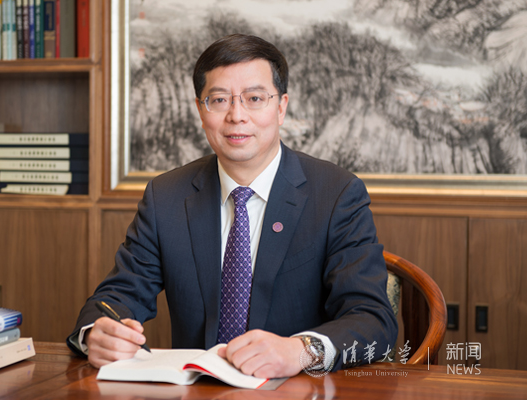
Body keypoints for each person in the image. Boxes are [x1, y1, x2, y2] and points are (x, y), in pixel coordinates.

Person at [67, 33, 397, 379]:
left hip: (297, 388)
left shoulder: (336, 194)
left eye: (255, 98)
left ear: (281, 107)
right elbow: (118, 294)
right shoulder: (166, 196)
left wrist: (300, 351)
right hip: (196, 390)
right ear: (201, 110)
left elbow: (373, 319)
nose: (237, 116)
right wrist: (96, 334)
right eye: (219, 100)